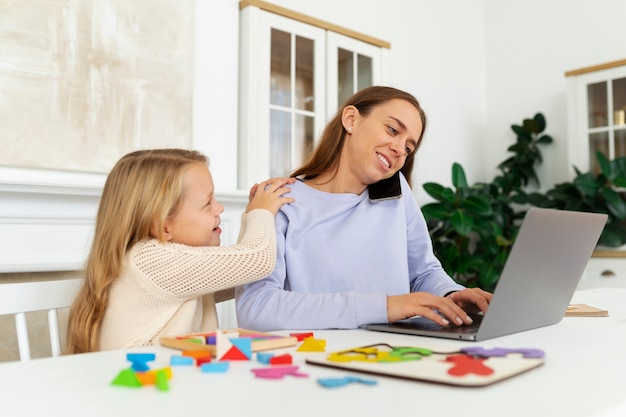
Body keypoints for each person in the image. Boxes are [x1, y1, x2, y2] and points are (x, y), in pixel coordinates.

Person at [235, 86, 492, 331]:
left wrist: (452, 295)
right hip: (319, 360)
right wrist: (381, 307)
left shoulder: (397, 195)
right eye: (392, 130)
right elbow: (255, 306)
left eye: (408, 147)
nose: (399, 150)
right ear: (351, 119)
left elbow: (424, 273)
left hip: (396, 354)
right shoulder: (280, 201)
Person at [64, 148, 294, 353]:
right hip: (137, 387)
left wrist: (252, 215)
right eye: (208, 203)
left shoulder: (177, 263)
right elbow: (255, 262)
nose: (219, 208)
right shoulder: (150, 260)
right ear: (164, 226)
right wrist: (260, 213)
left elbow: (245, 278)